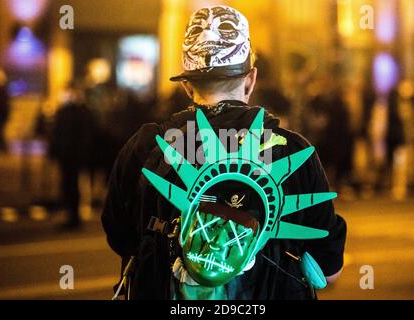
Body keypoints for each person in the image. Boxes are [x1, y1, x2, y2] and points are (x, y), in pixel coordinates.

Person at [102, 5, 346, 300]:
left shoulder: (145, 147)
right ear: (250, 79)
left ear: (188, 87)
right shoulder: (294, 152)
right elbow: (329, 268)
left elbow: (121, 239)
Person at [50, 83, 97, 229]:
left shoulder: (81, 112)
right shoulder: (64, 111)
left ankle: (74, 216)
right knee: (67, 184)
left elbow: (86, 135)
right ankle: (70, 215)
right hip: (66, 154)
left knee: (72, 185)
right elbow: (56, 134)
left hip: (74, 155)